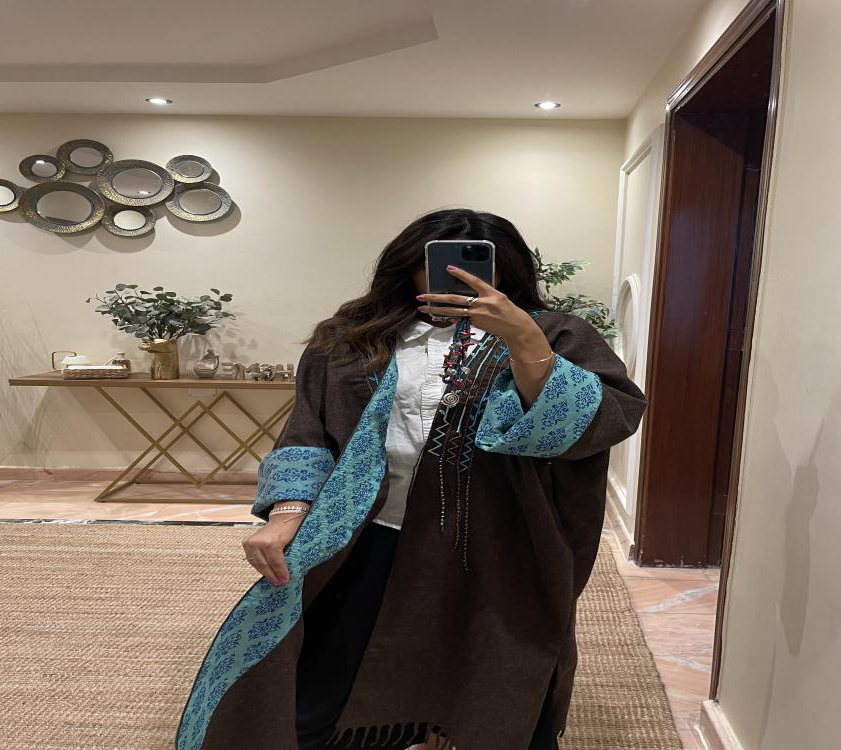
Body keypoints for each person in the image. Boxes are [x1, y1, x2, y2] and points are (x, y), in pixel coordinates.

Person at [174, 208, 648, 750]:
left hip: (499, 543)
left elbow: (605, 419)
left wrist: (525, 342)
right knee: (319, 684)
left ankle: (442, 728)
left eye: (478, 264)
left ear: (508, 270)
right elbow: (309, 431)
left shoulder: (555, 334)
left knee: (495, 675)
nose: (457, 277)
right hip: (367, 532)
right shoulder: (353, 338)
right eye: (438, 262)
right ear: (409, 265)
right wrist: (285, 515)